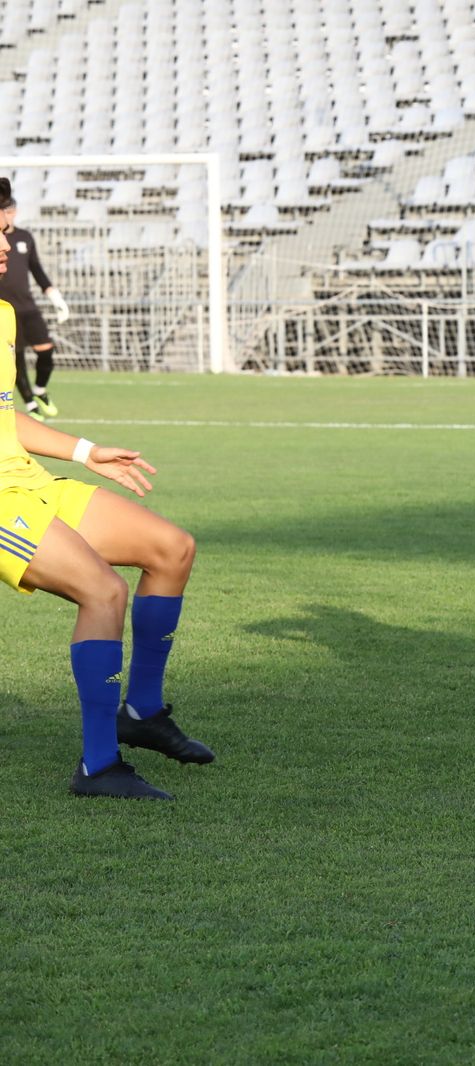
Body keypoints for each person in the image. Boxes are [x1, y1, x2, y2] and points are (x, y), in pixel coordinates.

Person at [0, 179, 211, 800]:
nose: (7, 240)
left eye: (6, 227)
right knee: (104, 591)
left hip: (28, 482)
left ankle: (141, 712)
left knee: (171, 548)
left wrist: (90, 453)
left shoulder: (3, 313)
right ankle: (98, 766)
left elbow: (4, 414)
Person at [0, 186, 70, 418]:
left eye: (9, 211)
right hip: (7, 310)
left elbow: (37, 269)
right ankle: (30, 404)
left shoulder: (24, 237)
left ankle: (39, 390)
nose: (5, 247)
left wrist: (54, 296)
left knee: (46, 351)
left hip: (27, 307)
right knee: (15, 360)